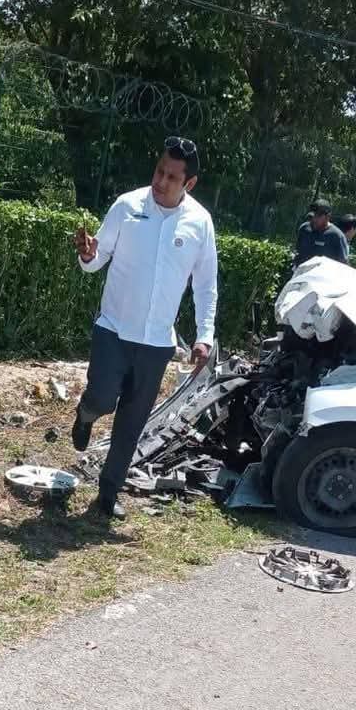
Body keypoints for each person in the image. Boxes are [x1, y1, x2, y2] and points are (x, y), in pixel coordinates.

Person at [72, 136, 218, 522]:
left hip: (156, 343)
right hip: (113, 330)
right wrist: (88, 254)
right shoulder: (127, 206)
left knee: (132, 422)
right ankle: (86, 413)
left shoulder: (200, 223)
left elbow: (206, 285)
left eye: (172, 177)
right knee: (103, 399)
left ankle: (108, 494)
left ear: (189, 183)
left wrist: (204, 336)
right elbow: (97, 257)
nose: (160, 182)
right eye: (159, 171)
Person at [294, 199, 348, 267]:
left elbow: (343, 265)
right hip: (302, 273)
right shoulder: (304, 229)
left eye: (317, 217)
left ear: (328, 217)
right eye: (311, 217)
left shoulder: (337, 236)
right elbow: (297, 253)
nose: (313, 220)